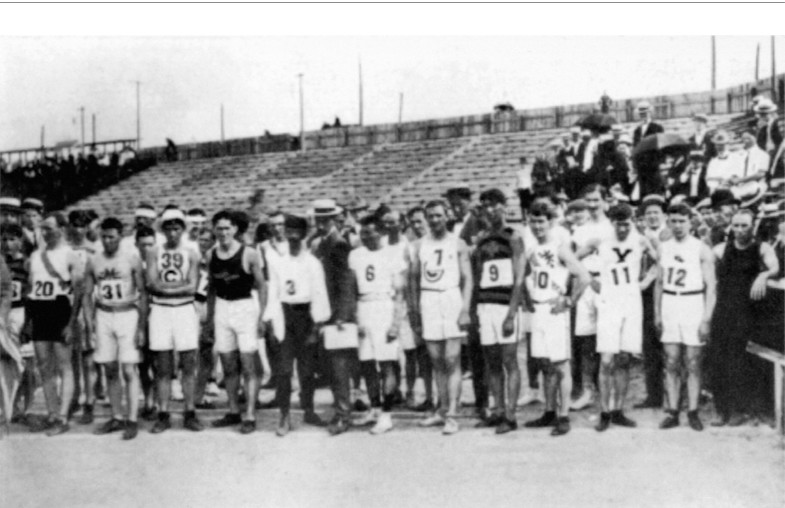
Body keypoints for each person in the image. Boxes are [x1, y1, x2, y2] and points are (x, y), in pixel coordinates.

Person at [578, 204, 658, 430]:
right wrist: (589, 279)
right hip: (609, 300)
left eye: (626, 224)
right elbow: (572, 258)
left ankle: (618, 410)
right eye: (618, 224)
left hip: (631, 300)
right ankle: (604, 411)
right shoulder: (600, 240)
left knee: (624, 358)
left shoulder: (640, 240)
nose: (622, 229)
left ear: (632, 221)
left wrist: (646, 281)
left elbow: (661, 261)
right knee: (606, 359)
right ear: (611, 222)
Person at [523, 202, 591, 436]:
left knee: (561, 365)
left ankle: (564, 416)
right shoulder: (532, 250)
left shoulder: (560, 248)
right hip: (538, 310)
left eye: (541, 221)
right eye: (533, 221)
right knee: (545, 364)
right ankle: (549, 411)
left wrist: (569, 300)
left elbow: (584, 276)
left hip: (555, 310)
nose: (537, 226)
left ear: (550, 222)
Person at [707, 209, 778, 426]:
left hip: (748, 312)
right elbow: (709, 279)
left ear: (753, 226)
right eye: (736, 225)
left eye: (744, 225)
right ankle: (722, 410)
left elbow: (775, 266)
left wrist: (763, 275)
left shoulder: (761, 248)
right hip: (724, 310)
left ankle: (740, 409)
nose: (739, 230)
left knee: (742, 360)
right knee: (719, 359)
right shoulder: (720, 249)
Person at [409, 200, 473, 435]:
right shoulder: (419, 245)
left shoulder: (458, 243)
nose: (434, 220)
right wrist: (414, 309)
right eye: (430, 216)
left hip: (451, 297)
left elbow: (467, 278)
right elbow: (413, 279)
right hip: (429, 300)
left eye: (438, 215)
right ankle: (442, 408)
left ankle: (453, 413)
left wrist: (465, 309)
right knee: (436, 360)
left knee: (452, 358)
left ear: (447, 216)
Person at [264, 214, 331, 436]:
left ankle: (309, 410)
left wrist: (316, 327)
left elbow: (319, 295)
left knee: (307, 371)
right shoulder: (278, 262)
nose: (292, 237)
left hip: (306, 317)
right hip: (285, 316)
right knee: (284, 371)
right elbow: (273, 294)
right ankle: (284, 415)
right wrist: (271, 323)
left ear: (303, 235)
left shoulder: (312, 263)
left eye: (297, 233)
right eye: (289, 233)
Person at [83, 218, 147, 440]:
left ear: (120, 236)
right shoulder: (94, 260)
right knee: (109, 368)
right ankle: (117, 416)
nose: (107, 241)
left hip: (127, 313)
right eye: (104, 237)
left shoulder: (132, 258)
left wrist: (141, 326)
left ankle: (132, 419)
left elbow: (143, 293)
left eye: (112, 236)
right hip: (104, 314)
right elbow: (87, 294)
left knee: (129, 369)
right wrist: (89, 321)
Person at [655, 203, 716, 431]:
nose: (678, 225)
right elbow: (659, 283)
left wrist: (706, 318)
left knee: (693, 361)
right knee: (670, 360)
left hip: (693, 302)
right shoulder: (664, 247)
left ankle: (692, 410)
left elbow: (711, 287)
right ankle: (672, 411)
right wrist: (657, 314)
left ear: (690, 222)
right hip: (670, 302)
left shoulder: (701, 248)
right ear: (668, 222)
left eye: (682, 221)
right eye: (674, 221)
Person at [206, 210, 267, 434]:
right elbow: (212, 289)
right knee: (228, 365)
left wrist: (261, 317)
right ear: (214, 230)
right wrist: (210, 320)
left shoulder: (249, 253)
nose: (223, 233)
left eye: (227, 228)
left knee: (248, 364)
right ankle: (233, 410)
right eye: (219, 228)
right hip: (223, 308)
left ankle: (250, 414)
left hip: (244, 308)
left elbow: (262, 286)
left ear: (235, 229)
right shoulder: (211, 255)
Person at [472, 189, 526, 434]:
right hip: (486, 305)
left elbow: (519, 278)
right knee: (491, 362)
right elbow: (477, 276)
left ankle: (511, 416)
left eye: (494, 205)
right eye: (486, 206)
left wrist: (511, 314)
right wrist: (475, 309)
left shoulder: (513, 236)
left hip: (505, 306)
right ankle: (498, 410)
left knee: (509, 361)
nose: (490, 210)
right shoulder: (482, 238)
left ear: (504, 206)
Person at [145, 208, 203, 433]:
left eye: (177, 228)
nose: (172, 232)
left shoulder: (192, 252)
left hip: (184, 310)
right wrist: (177, 288)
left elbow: (192, 286)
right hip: (160, 311)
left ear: (183, 229)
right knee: (162, 366)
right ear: (162, 229)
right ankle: (163, 413)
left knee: (188, 363)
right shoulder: (153, 252)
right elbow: (151, 284)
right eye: (168, 228)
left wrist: (165, 289)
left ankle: (189, 412)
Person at [26, 213, 84, 436]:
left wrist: (71, 323)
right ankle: (51, 413)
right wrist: (28, 321)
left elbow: (78, 293)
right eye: (43, 228)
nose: (45, 232)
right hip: (39, 311)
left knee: (64, 365)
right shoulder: (35, 256)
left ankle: (62, 415)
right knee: (43, 365)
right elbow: (31, 289)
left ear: (61, 229)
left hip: (60, 310)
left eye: (49, 228)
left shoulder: (70, 256)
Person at [349, 215, 405, 434]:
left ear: (381, 233)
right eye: (362, 233)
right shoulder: (355, 255)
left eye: (369, 232)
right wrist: (356, 318)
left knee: (387, 364)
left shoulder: (393, 254)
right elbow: (352, 289)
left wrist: (395, 323)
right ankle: (374, 408)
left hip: (384, 307)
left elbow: (399, 293)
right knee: (367, 364)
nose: (365, 237)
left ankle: (386, 414)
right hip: (363, 307)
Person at [309, 199, 357, 436]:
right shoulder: (320, 243)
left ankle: (343, 415)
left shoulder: (338, 244)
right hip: (324, 312)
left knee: (339, 368)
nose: (321, 223)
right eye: (318, 219)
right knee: (330, 367)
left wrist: (342, 315)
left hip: (336, 315)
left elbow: (346, 282)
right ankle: (340, 410)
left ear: (333, 219)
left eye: (325, 219)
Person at [569, 184, 613, 411]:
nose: (593, 205)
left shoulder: (612, 226)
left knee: (608, 340)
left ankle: (608, 391)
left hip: (607, 284)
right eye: (589, 201)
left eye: (597, 200)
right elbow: (572, 260)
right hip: (586, 283)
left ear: (605, 201)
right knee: (586, 341)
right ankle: (588, 390)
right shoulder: (580, 230)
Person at [67, 209, 101, 425]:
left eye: (83, 225)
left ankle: (90, 400)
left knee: (89, 357)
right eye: (75, 225)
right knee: (71, 357)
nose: (79, 229)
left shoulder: (95, 251)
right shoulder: (64, 250)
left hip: (89, 303)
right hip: (67, 303)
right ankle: (74, 397)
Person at [1, 223, 37, 427]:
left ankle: (29, 407)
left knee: (28, 365)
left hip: (22, 312)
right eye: (4, 239)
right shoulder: (1, 262)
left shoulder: (27, 263)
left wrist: (29, 322)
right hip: (4, 314)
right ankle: (11, 407)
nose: (7, 244)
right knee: (8, 363)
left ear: (20, 241)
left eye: (12, 239)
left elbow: (32, 293)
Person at [404, 206, 434, 411]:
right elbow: (410, 280)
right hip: (419, 303)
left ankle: (445, 398)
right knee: (421, 354)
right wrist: (413, 307)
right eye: (412, 222)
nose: (416, 225)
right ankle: (428, 396)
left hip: (438, 300)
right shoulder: (411, 246)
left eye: (419, 221)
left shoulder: (440, 242)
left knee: (441, 355)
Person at [134, 225, 158, 419]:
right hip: (137, 317)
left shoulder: (159, 262)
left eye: (150, 244)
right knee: (142, 363)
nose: (147, 248)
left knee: (159, 363)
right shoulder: (133, 264)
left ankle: (156, 400)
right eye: (143, 245)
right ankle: (148, 398)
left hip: (158, 315)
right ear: (137, 245)